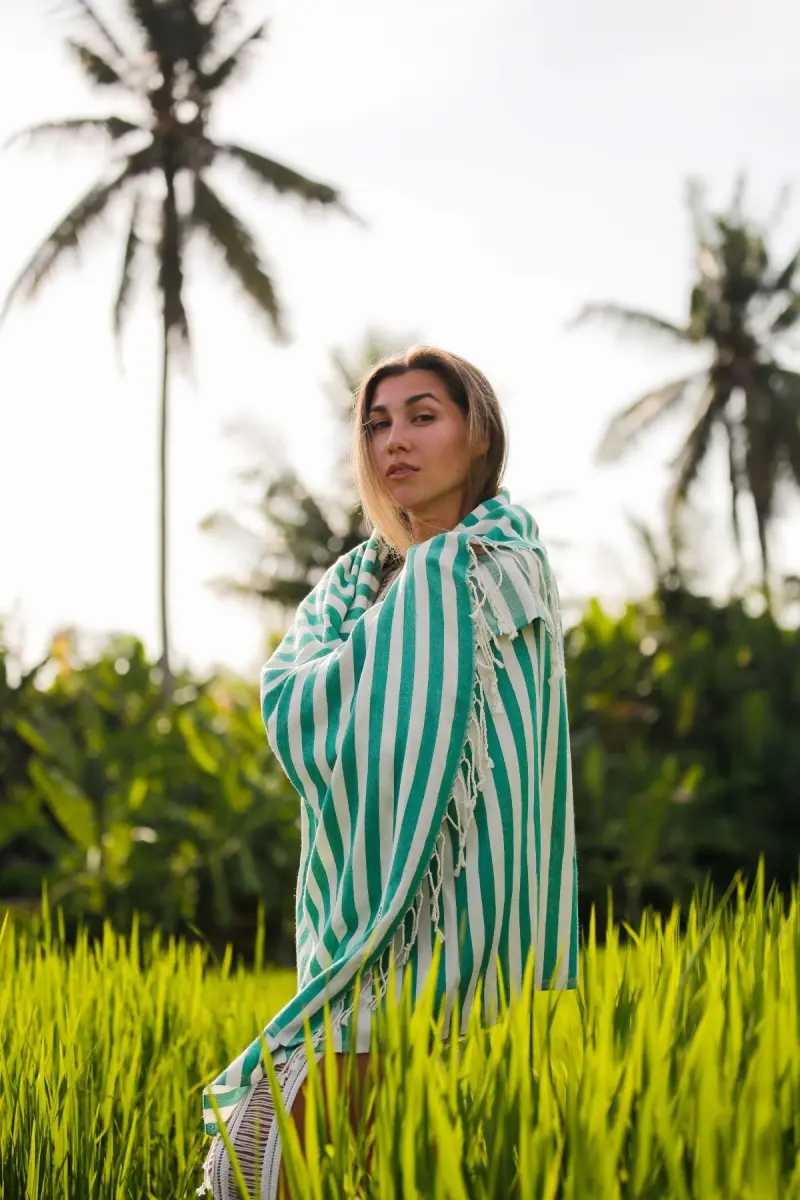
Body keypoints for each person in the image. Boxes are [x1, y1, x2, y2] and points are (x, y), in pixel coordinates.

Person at [198, 346, 579, 1200]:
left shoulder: (504, 566)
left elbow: (512, 753)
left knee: (305, 1165)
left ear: (478, 436)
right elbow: (292, 697)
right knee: (252, 1164)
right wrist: (374, 659)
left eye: (422, 416)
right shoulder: (349, 588)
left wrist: (377, 657)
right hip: (352, 927)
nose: (394, 440)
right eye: (376, 424)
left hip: (451, 930)